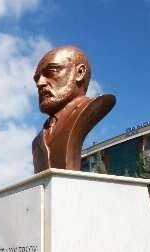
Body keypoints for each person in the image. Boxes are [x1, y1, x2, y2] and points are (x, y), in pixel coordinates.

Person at [32, 45, 115, 173]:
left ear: (79, 73)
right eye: (37, 78)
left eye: (51, 72)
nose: (40, 83)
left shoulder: (89, 110)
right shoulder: (37, 143)